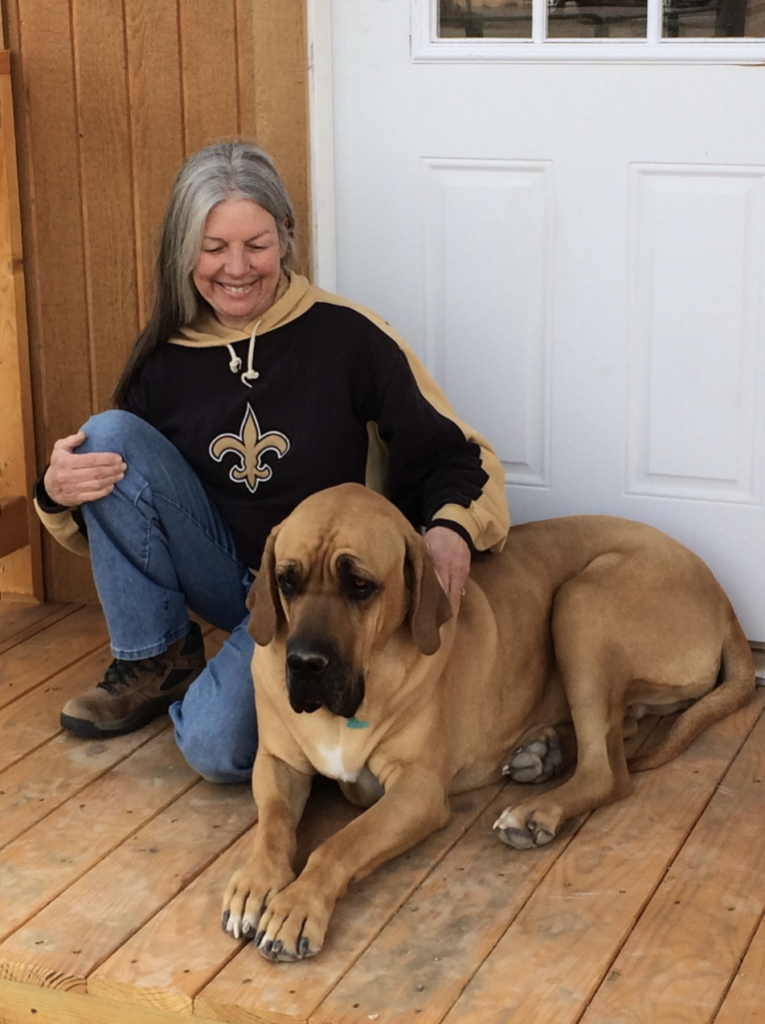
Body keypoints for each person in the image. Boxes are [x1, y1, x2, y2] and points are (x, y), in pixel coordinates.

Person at [33, 141, 510, 784]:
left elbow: (458, 452)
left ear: (286, 237)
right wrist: (56, 492)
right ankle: (156, 660)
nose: (236, 267)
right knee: (105, 435)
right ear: (185, 250)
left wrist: (452, 526)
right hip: (228, 576)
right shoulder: (164, 361)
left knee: (216, 749)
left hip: (316, 598)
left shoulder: (349, 337)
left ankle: (252, 683)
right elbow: (129, 515)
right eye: (214, 247)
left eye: (255, 243)